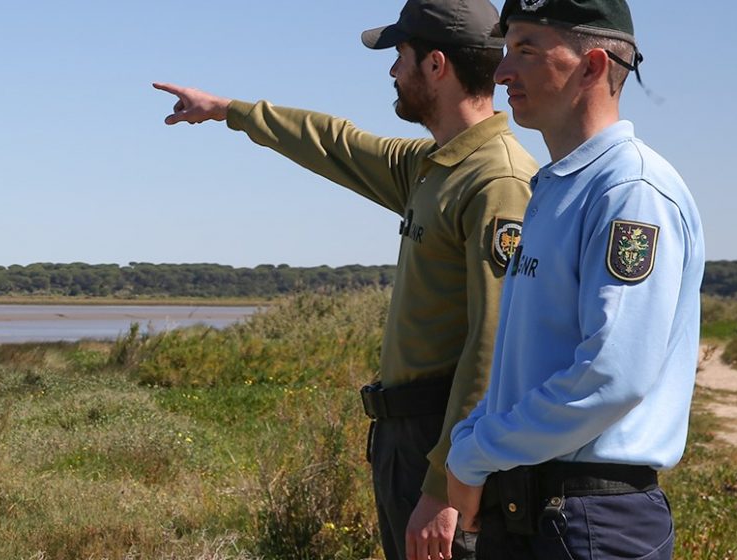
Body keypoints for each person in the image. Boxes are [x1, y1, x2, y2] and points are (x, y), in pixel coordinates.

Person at [155, 1, 536, 558]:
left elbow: (494, 348)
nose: (391, 71)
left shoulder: (496, 180)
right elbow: (335, 142)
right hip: (408, 437)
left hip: (442, 443)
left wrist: (445, 487)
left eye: (400, 56)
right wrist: (227, 110)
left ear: (435, 66)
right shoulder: (432, 166)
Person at [445, 1, 705, 558]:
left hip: (592, 521)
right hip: (534, 509)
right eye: (506, 49)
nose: (500, 72)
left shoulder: (630, 191)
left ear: (591, 67)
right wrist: (474, 443)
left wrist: (475, 452)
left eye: (526, 50)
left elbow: (611, 376)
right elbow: (528, 363)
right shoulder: (556, 188)